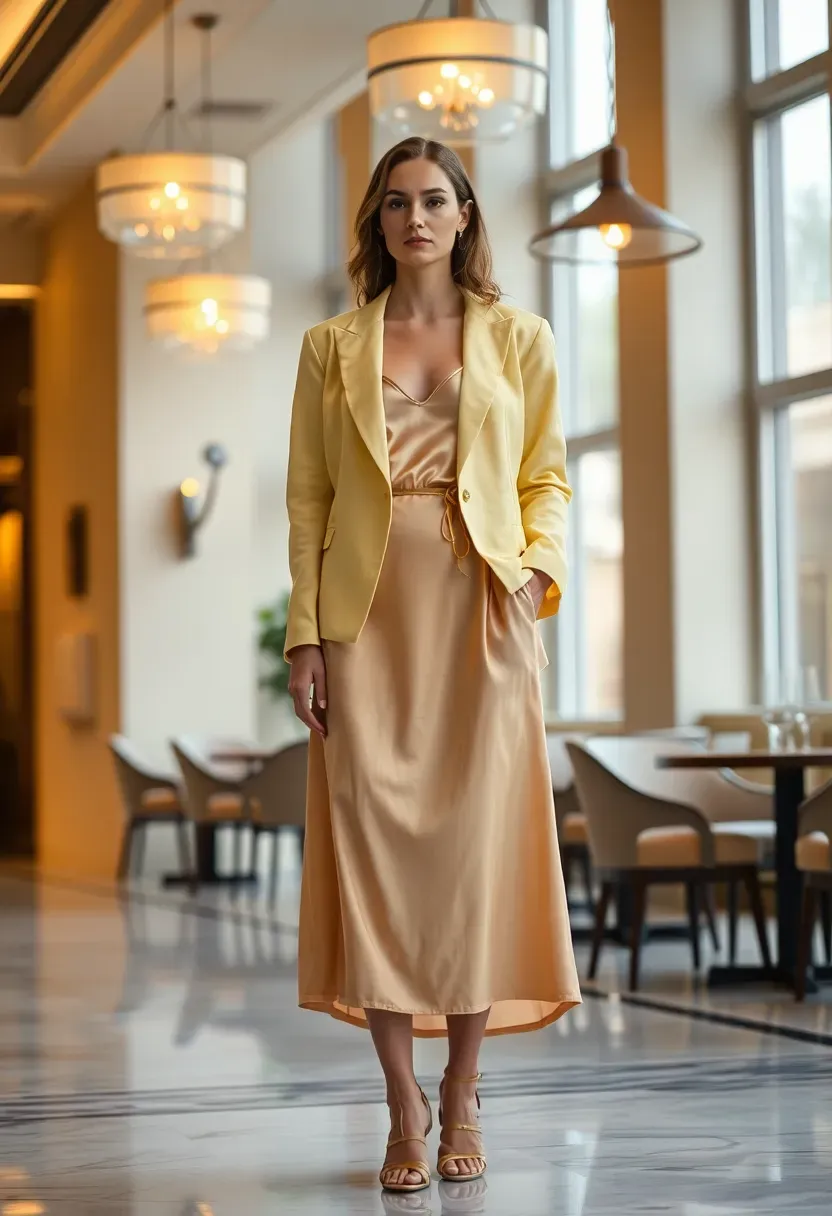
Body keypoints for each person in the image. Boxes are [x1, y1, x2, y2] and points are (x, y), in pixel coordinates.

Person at [284, 136, 580, 1194]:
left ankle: (460, 1087)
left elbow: (547, 477)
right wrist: (305, 636)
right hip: (367, 626)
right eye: (397, 202)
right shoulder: (329, 347)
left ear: (464, 216)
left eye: (436, 200)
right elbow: (310, 501)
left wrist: (535, 573)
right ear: (376, 219)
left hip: (484, 618)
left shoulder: (522, 336)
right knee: (374, 856)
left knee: (468, 856)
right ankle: (398, 1104)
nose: (416, 217)